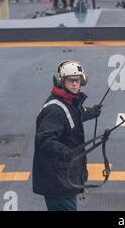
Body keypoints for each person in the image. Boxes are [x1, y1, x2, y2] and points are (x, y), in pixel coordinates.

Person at [32, 60, 102, 211]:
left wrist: (93, 112)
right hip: (58, 182)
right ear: (60, 81)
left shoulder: (69, 103)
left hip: (64, 178)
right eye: (71, 80)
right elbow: (44, 139)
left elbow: (78, 114)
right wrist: (64, 152)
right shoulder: (55, 110)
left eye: (78, 80)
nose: (75, 84)